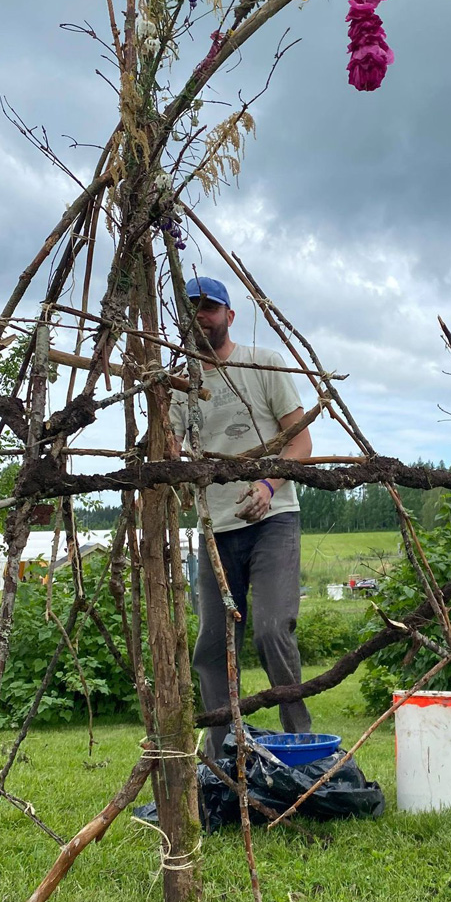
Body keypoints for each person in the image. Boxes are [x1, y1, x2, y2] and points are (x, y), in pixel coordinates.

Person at [170, 275, 313, 757]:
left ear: (230, 315)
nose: (200, 316)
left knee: (272, 629)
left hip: (273, 520)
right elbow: (172, 452)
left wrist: (269, 485)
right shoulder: (178, 388)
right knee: (211, 644)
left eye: (210, 307)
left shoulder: (262, 363)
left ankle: (299, 739)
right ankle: (221, 750)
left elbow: (301, 440)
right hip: (214, 528)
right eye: (191, 308)